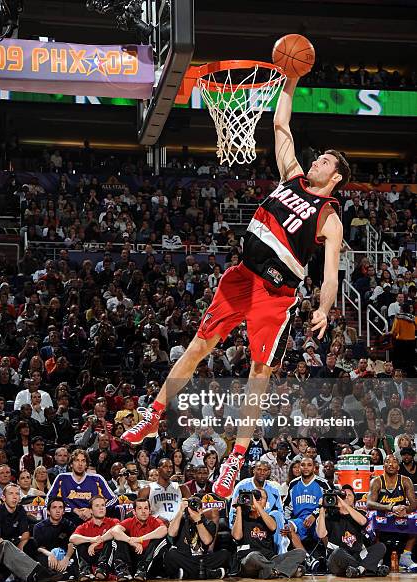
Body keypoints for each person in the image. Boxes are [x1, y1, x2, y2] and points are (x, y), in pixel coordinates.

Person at [121, 77, 349, 500]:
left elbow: (332, 274)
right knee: (197, 346)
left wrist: (324, 307)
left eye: (324, 163)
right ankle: (152, 415)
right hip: (241, 276)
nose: (315, 162)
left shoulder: (330, 217)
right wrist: (291, 82)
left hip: (275, 293)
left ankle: (235, 457)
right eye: (316, 159)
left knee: (258, 374)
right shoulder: (292, 176)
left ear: (335, 178)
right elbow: (282, 127)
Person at [316, 484, 389, 577]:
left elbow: (363, 522)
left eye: (349, 495)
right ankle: (368, 569)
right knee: (338, 552)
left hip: (357, 555)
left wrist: (344, 505)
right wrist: (322, 509)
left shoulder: (359, 513)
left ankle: (358, 570)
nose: (345, 497)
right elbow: (321, 534)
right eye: (343, 495)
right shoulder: (329, 516)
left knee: (380, 547)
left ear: (354, 499)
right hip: (337, 560)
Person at [231, 487, 306, 578]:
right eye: (253, 497)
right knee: (254, 556)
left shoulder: (268, 518)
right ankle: (282, 571)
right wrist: (238, 507)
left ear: (266, 503)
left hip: (270, 558)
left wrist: (256, 505)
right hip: (249, 560)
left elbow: (273, 527)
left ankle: (271, 572)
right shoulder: (241, 518)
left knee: (300, 553)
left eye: (260, 498)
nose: (256, 500)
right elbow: (237, 536)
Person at [0, 484, 63, 582]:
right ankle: (38, 573)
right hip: (2, 548)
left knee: (31, 543)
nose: (14, 496)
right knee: (6, 544)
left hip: (12, 547)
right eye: (11, 493)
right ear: (3, 497)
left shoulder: (20, 510)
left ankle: (48, 569)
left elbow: (25, 533)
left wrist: (19, 549)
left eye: (17, 494)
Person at [367, 454, 417, 571]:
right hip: (383, 513)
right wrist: (389, 508)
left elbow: (414, 503)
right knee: (372, 517)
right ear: (383, 465)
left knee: (416, 518)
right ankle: (377, 557)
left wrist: (406, 509)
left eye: (394, 461)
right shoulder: (376, 481)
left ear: (398, 467)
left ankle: (406, 555)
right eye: (387, 461)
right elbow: (369, 503)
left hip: (400, 513)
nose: (391, 464)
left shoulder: (405, 480)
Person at [45, 449, 118, 524]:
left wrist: (92, 510)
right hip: (68, 520)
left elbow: (114, 499)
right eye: (77, 460)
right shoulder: (62, 478)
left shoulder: (97, 479)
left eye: (83, 461)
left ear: (86, 464)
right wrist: (73, 510)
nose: (80, 464)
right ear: (71, 464)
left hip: (92, 519)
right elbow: (49, 500)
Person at [164, 498, 230, 579]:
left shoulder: (208, 523)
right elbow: (171, 533)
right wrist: (180, 511)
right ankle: (208, 573)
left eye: (196, 506)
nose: (194, 509)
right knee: (171, 554)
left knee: (224, 554)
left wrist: (198, 521)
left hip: (202, 559)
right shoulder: (180, 520)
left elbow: (207, 541)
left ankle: (187, 574)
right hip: (185, 557)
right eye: (191, 506)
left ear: (201, 510)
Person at [283, 457, 329, 571]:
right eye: (303, 465)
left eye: (309, 465)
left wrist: (314, 515)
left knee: (322, 524)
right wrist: (284, 521)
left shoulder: (322, 483)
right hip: (300, 521)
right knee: (287, 527)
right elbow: (286, 506)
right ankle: (308, 559)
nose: (306, 467)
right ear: (300, 467)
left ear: (314, 467)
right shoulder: (294, 484)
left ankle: (330, 555)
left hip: (318, 518)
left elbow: (330, 502)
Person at [112, 498, 168, 581]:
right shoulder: (130, 521)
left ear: (149, 511)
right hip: (133, 560)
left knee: (160, 540)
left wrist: (140, 539)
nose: (143, 511)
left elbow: (163, 530)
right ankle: (124, 571)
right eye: (139, 508)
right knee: (118, 539)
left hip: (150, 562)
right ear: (134, 512)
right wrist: (130, 541)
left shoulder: (154, 521)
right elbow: (114, 531)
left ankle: (143, 569)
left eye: (146, 508)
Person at [69, 495, 120, 581]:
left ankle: (102, 569)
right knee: (79, 544)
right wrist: (91, 540)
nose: (101, 508)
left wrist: (96, 543)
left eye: (103, 505)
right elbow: (72, 538)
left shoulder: (113, 521)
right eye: (97, 506)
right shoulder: (85, 526)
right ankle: (85, 571)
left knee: (111, 542)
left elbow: (115, 532)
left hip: (108, 558)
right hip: (91, 556)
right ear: (91, 511)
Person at [139, 458, 191, 523]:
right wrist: (156, 518)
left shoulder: (182, 488)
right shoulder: (146, 489)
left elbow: (191, 509)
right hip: (156, 525)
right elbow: (140, 512)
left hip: (179, 523)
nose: (169, 470)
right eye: (165, 467)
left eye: (171, 467)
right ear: (158, 469)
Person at [33, 497, 76, 575]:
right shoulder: (39, 527)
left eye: (60, 507)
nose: (57, 511)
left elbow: (72, 544)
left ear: (63, 511)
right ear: (48, 511)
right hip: (47, 555)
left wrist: (66, 558)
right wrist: (50, 555)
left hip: (65, 556)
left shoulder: (70, 525)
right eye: (54, 507)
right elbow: (39, 548)